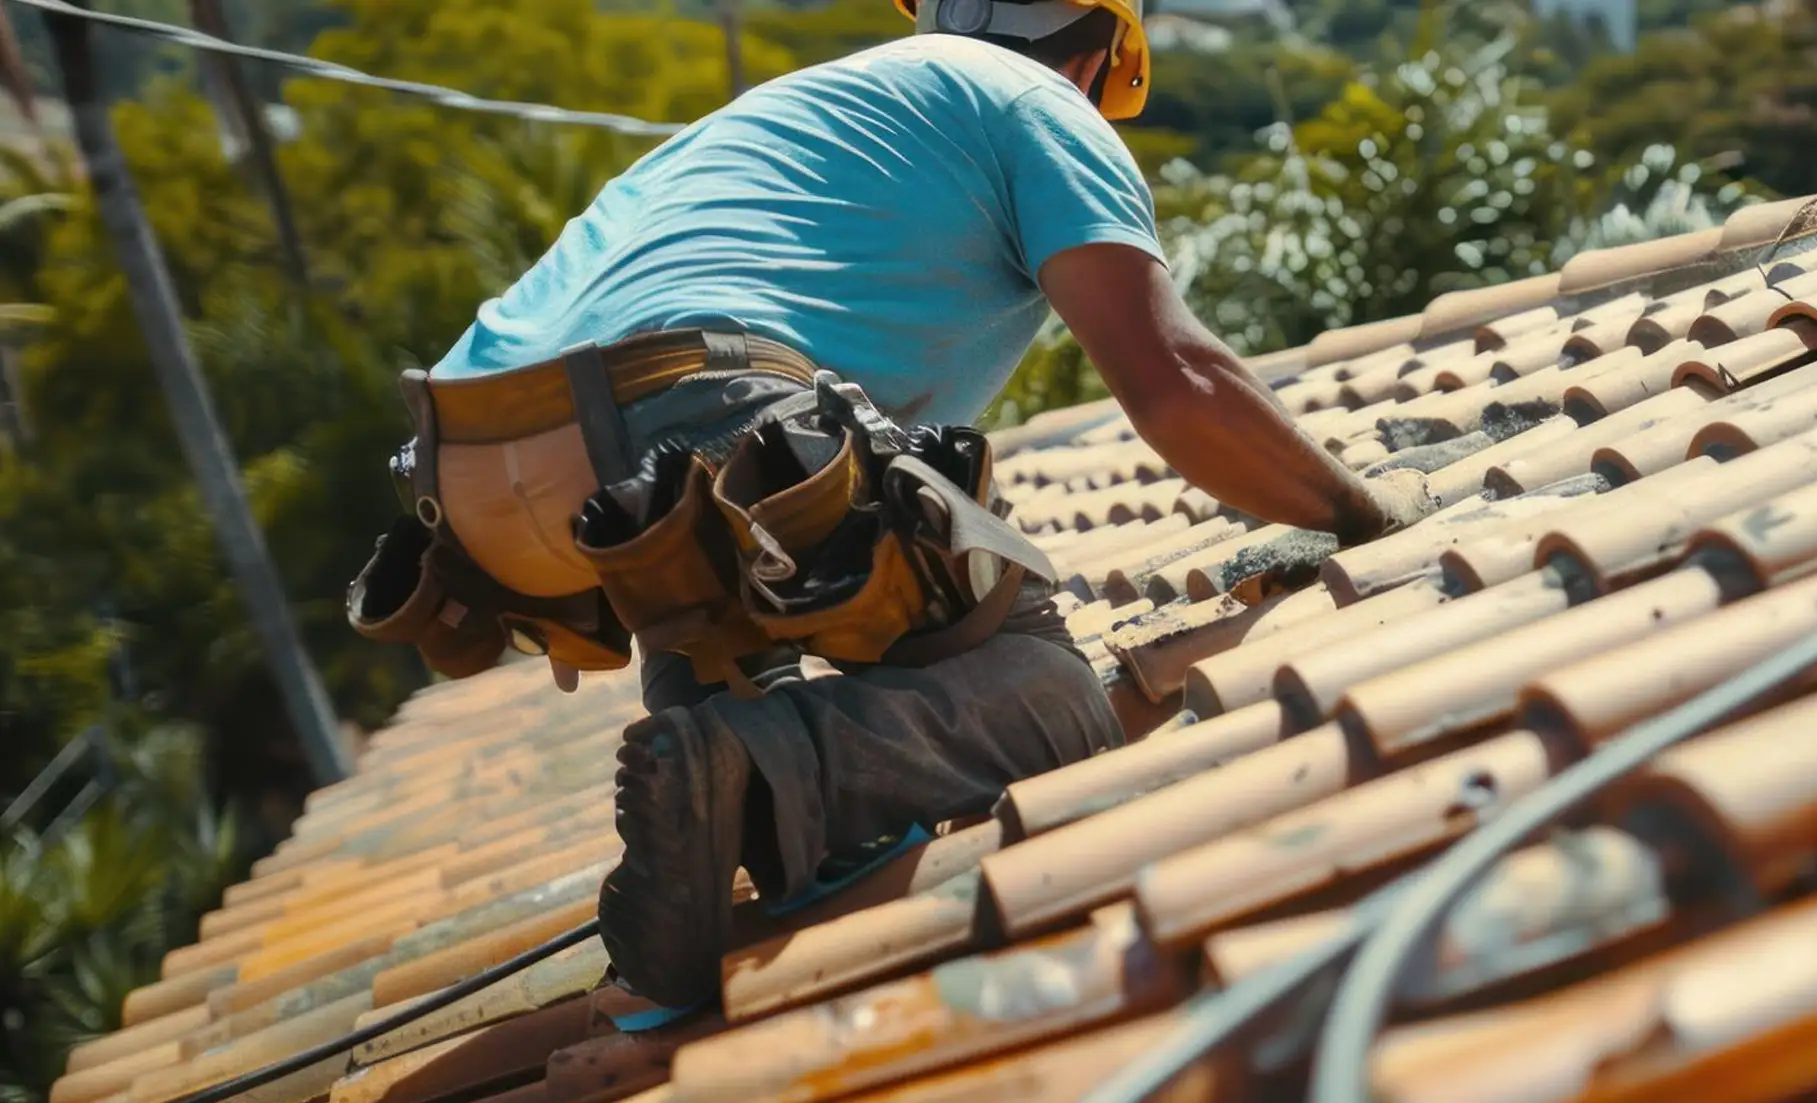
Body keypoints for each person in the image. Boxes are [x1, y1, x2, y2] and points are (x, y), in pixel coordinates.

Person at [343, 0, 1429, 1010]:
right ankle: (757, 772)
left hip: (470, 481)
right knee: (1046, 691)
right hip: (686, 404)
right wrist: (1360, 517)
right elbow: (1174, 384)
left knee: (731, 596)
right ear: (1099, 54)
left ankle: (702, 826)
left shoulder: (810, 107)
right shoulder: (1037, 106)